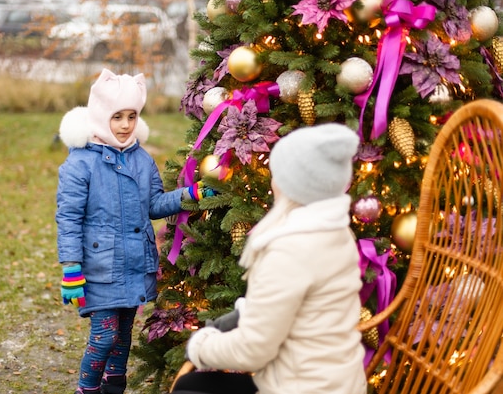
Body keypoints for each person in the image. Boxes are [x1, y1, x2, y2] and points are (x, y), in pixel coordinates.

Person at [174, 124, 367, 394]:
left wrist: (200, 345)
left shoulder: (289, 248)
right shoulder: (336, 230)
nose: (273, 183)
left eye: (278, 175)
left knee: (188, 389)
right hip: (336, 383)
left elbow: (252, 351)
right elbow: (302, 308)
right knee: (191, 385)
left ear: (297, 185)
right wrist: (246, 312)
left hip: (302, 387)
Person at [55, 69, 214, 394]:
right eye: (117, 117)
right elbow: (68, 218)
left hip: (134, 263)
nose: (125, 124)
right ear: (101, 115)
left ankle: (115, 388)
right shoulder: (80, 164)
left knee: (123, 336)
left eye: (131, 116)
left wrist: (191, 194)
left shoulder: (141, 159)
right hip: (100, 268)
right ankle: (87, 389)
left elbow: (153, 204)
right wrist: (71, 266)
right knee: (104, 337)